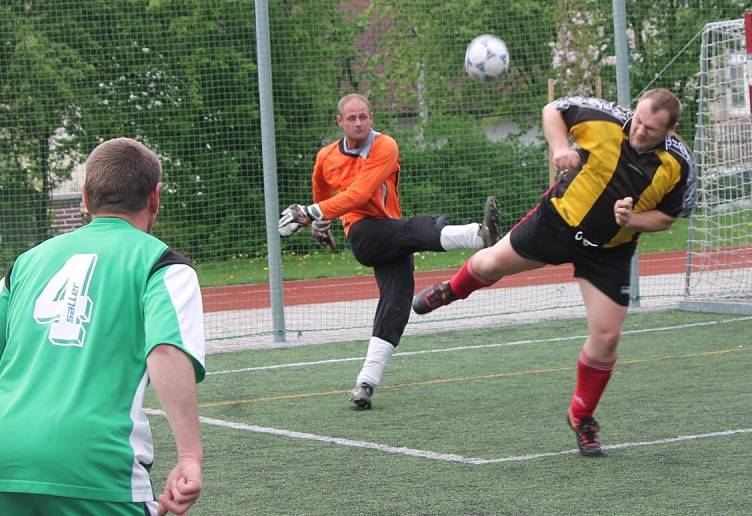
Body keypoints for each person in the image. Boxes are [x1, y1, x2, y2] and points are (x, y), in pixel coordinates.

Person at [0, 137, 206, 516]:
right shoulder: (162, 265)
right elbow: (167, 352)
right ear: (155, 198)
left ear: (86, 198)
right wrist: (189, 456)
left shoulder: (27, 263)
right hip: (93, 459)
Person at [412, 89, 696, 456]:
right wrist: (561, 146)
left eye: (652, 129)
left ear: (672, 129)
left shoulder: (680, 164)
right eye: (638, 120)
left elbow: (667, 218)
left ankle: (582, 416)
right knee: (487, 264)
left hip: (609, 251)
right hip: (557, 223)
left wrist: (634, 219)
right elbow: (552, 109)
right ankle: (452, 289)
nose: (639, 131)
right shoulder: (605, 118)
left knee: (607, 337)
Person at [278, 92, 501, 410]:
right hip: (364, 234)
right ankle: (479, 237)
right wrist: (320, 223)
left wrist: (311, 214)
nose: (358, 122)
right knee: (412, 230)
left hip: (392, 235)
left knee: (395, 309)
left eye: (363, 117)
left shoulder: (385, 146)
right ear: (339, 122)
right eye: (351, 118)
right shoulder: (326, 156)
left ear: (372, 118)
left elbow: (360, 192)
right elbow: (323, 188)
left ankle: (365, 384)